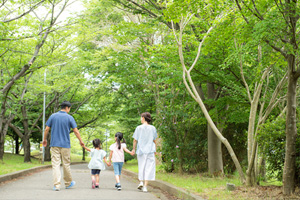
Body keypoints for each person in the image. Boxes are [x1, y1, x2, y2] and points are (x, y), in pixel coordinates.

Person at [43, 101, 84, 191]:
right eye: (69, 108)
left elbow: (46, 129)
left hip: (54, 144)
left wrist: (44, 139)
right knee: (66, 164)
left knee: (55, 164)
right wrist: (81, 141)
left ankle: (57, 185)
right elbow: (76, 131)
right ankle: (68, 183)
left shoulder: (53, 116)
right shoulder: (69, 117)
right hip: (65, 145)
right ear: (67, 108)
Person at [132, 112, 157, 193]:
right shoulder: (153, 128)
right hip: (150, 150)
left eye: (141, 117)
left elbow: (135, 140)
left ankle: (141, 182)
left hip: (141, 151)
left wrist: (133, 149)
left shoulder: (138, 128)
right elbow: (154, 140)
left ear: (143, 118)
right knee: (149, 168)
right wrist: (155, 150)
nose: (140, 119)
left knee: (141, 166)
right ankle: (145, 187)